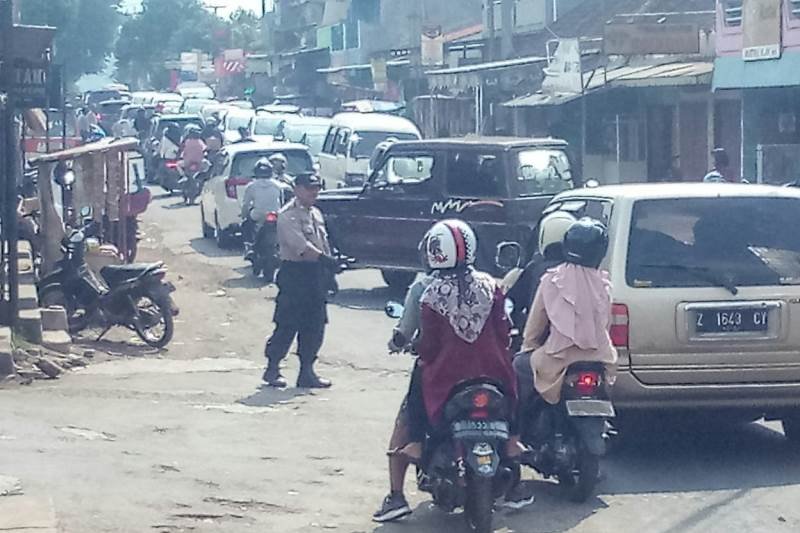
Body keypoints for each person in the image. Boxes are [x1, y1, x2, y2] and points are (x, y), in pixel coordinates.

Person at [373, 219, 521, 523]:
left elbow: (427, 345)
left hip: (445, 378)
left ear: (433, 251)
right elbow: (505, 333)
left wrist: (413, 347)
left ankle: (399, 486)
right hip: (493, 374)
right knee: (514, 392)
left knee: (411, 406)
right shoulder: (492, 285)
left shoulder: (427, 290)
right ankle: (513, 447)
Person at [514, 218, 618, 408]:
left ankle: (518, 430)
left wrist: (528, 347)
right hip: (601, 360)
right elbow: (605, 325)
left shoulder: (552, 279)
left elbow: (534, 329)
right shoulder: (604, 283)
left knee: (519, 365)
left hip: (557, 360)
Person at [263, 173, 337, 389]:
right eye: (308, 188)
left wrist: (329, 273)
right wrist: (325, 259)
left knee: (315, 325)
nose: (313, 192)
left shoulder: (316, 213)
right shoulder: (287, 215)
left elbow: (323, 243)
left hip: (315, 275)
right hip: (295, 273)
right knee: (287, 323)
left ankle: (307, 372)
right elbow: (301, 247)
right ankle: (272, 368)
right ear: (296, 189)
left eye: (316, 188)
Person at [506, 211, 576, 338]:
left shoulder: (535, 269)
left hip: (540, 342)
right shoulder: (587, 273)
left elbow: (514, 302)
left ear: (543, 236)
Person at [240, 158, 290, 259]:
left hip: (257, 215)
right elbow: (287, 192)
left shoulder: (251, 186)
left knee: (246, 224)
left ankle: (249, 246)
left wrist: (244, 215)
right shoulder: (278, 185)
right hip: (276, 214)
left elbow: (246, 204)